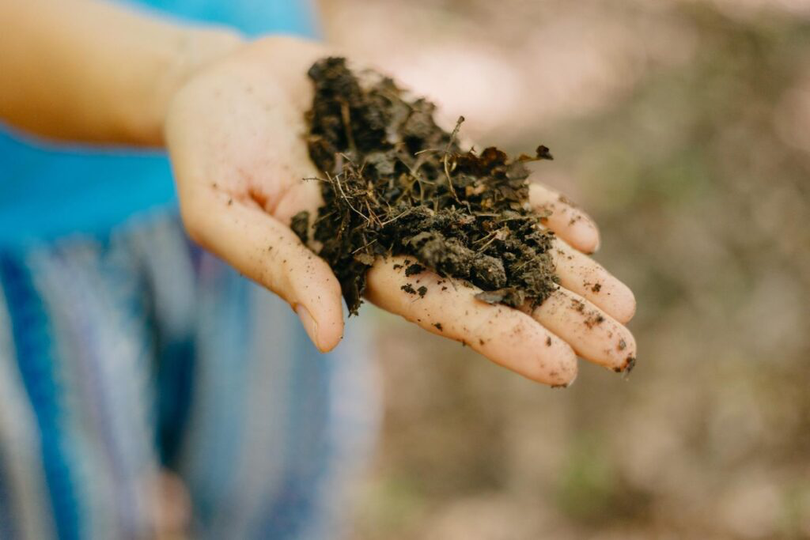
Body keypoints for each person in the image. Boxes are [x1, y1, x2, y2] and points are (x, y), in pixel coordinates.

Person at [0, 0, 637, 538]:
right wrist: (193, 73)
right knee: (70, 510)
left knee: (276, 488)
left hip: (277, 168)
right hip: (40, 226)